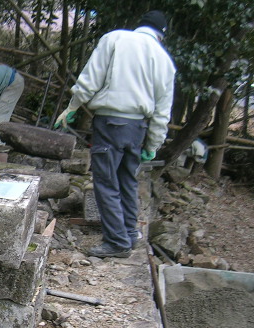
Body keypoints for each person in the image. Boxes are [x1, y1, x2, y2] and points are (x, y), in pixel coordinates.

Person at [55, 10, 176, 258]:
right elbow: (163, 112)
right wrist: (153, 145)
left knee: (106, 182)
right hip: (138, 128)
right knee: (127, 181)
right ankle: (130, 234)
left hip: (111, 123)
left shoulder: (116, 39)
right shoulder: (164, 60)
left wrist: (73, 107)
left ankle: (116, 242)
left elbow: (91, 79)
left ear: (140, 25)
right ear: (160, 36)